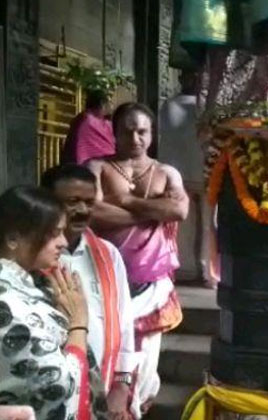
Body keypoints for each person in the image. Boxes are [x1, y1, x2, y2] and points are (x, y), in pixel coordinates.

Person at [88, 102, 187, 413]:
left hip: (151, 282)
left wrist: (125, 201)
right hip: (105, 280)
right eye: (127, 131)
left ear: (152, 134)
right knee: (106, 355)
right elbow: (91, 210)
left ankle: (136, 412)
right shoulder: (96, 168)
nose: (135, 138)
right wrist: (150, 212)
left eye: (142, 131)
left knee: (144, 363)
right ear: (115, 133)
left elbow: (179, 210)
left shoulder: (166, 172)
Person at [0, 186, 108, 419]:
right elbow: (56, 383)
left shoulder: (32, 282)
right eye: (53, 233)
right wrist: (78, 325)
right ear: (13, 238)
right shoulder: (6, 300)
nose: (63, 242)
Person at [41, 164, 140, 419]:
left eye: (88, 201)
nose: (83, 210)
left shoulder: (108, 255)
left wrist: (122, 384)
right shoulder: (34, 257)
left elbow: (124, 323)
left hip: (103, 391)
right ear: (48, 202)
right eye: (72, 202)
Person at [159, 71, 219, 288]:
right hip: (188, 173)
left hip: (196, 171)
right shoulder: (173, 106)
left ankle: (203, 270)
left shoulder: (200, 106)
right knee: (190, 224)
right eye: (187, 76)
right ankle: (190, 268)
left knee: (207, 224)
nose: (189, 80)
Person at [61, 90, 115, 165]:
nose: (111, 106)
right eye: (110, 103)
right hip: (81, 168)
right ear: (102, 104)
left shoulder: (82, 118)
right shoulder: (87, 121)